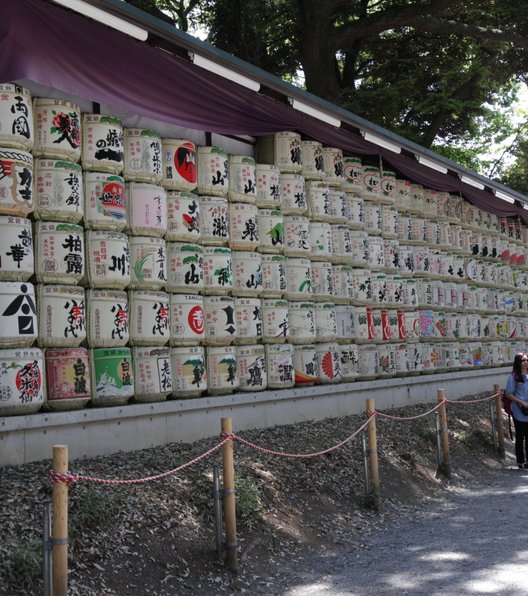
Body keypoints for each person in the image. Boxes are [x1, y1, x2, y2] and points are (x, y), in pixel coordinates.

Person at [504, 352, 528, 468]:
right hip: (519, 410)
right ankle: (520, 461)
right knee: (520, 435)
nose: (526, 362)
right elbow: (508, 393)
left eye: (527, 360)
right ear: (518, 362)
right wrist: (521, 402)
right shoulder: (513, 376)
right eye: (523, 360)